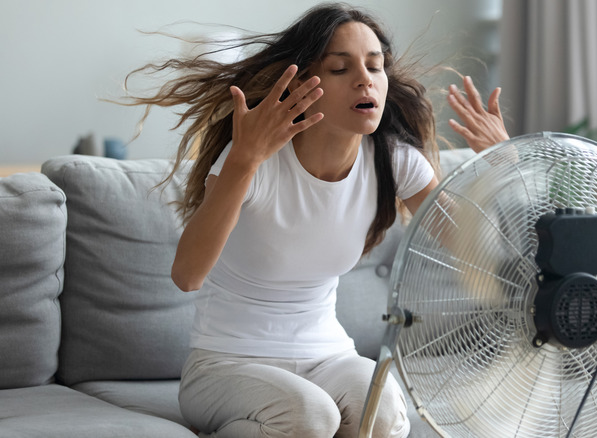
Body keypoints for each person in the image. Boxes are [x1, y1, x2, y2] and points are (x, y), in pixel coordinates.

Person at [123, 3, 508, 437]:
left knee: (381, 416)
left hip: (328, 357)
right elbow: (187, 275)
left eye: (375, 65)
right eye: (340, 68)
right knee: (310, 417)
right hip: (227, 363)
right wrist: (244, 160)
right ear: (304, 83)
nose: (366, 79)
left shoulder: (395, 162)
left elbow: (480, 255)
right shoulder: (255, 159)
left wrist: (504, 164)